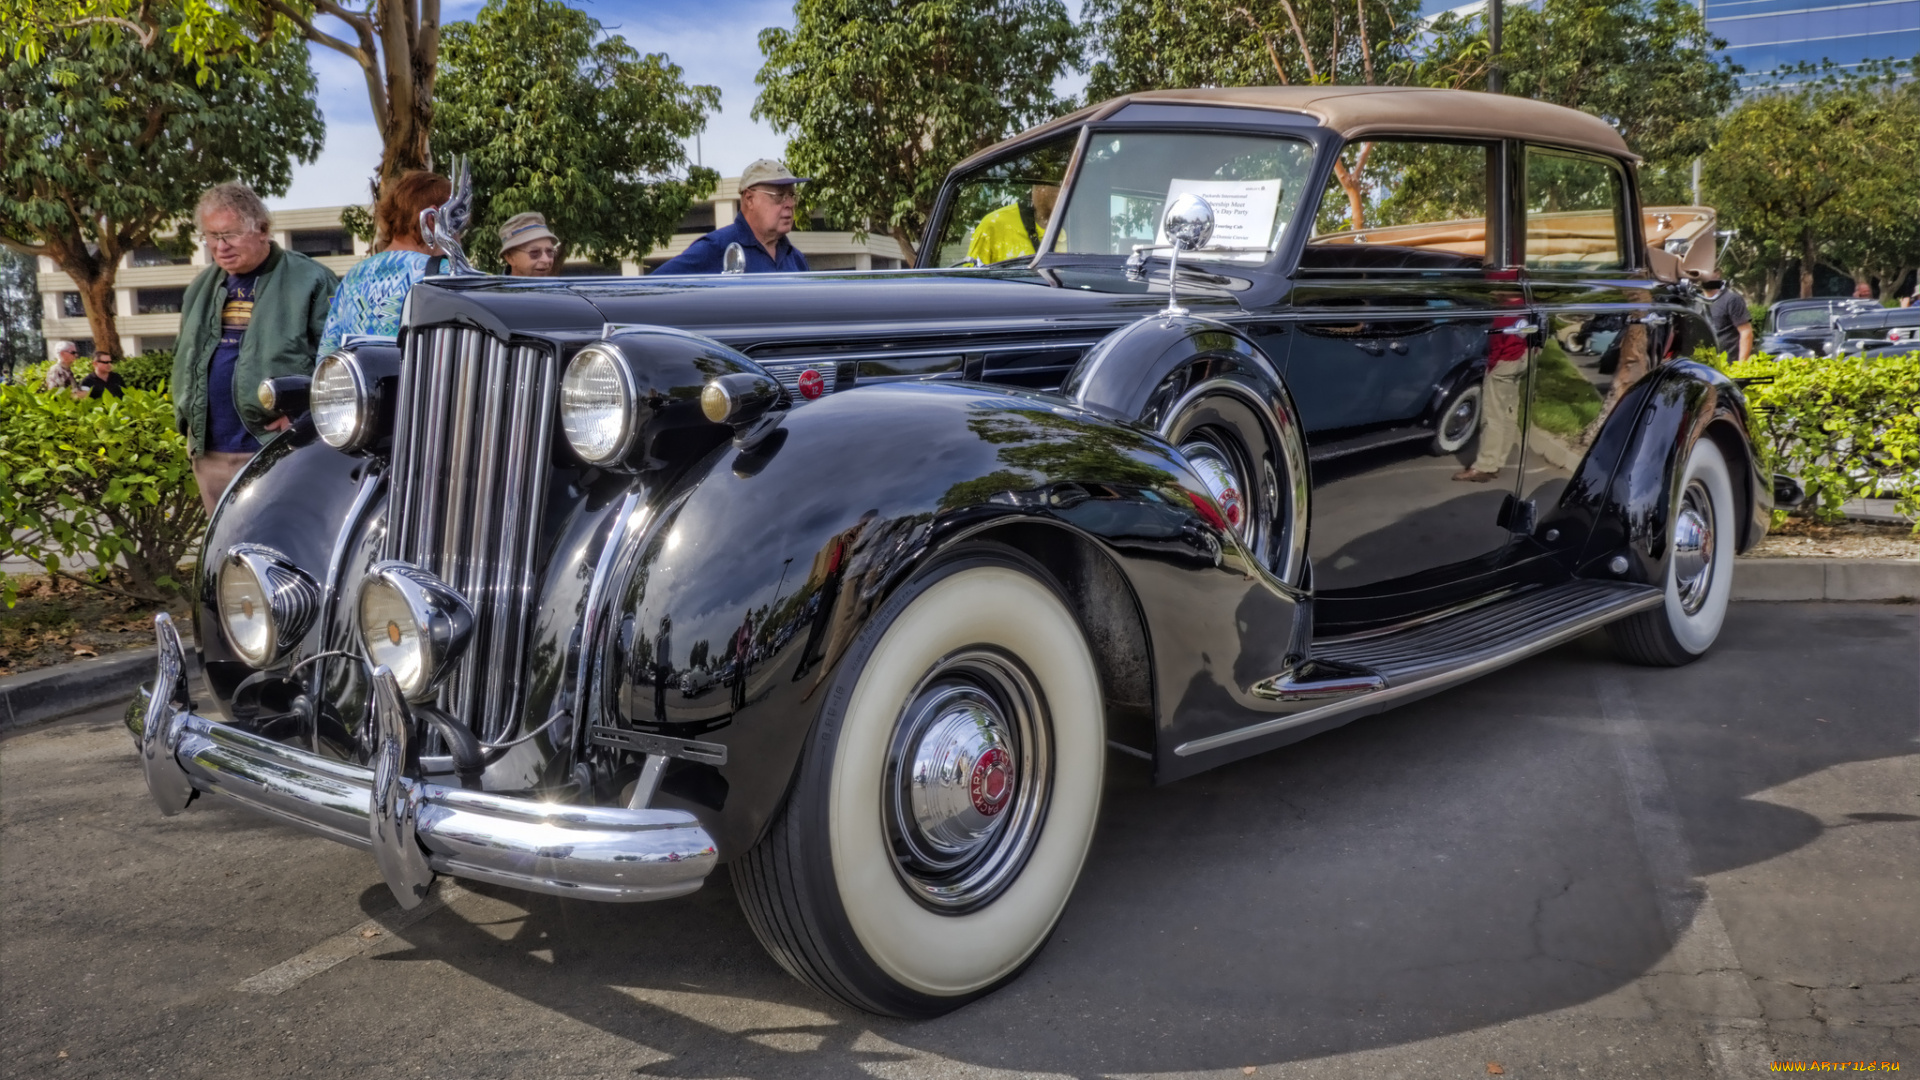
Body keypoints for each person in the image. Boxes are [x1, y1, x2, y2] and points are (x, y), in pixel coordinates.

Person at [173, 183, 338, 515]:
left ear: (262, 229)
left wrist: (305, 414)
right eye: (211, 236)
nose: (220, 247)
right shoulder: (200, 288)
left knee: (279, 550)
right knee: (224, 557)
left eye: (230, 235)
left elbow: (338, 361)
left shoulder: (312, 280)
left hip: (276, 449)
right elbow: (186, 357)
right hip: (210, 454)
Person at [317, 171, 454, 357]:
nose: (459, 236)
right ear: (432, 220)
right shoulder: (447, 275)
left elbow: (327, 359)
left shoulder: (353, 277)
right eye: (456, 223)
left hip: (364, 386)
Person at [651, 159, 810, 275]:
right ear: (749, 199)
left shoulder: (795, 258)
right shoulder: (716, 248)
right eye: (779, 195)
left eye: (792, 195)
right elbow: (651, 289)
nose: (789, 203)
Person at [965, 184, 1059, 265]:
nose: (1066, 188)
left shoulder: (1072, 226)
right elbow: (970, 281)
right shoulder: (993, 224)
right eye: (1060, 183)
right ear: (1040, 186)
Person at [1700, 275, 1754, 363]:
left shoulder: (1731, 299)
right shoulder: (1695, 302)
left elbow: (1746, 332)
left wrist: (1741, 365)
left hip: (1731, 363)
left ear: (1717, 274)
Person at [499, 212, 560, 276]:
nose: (546, 260)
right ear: (510, 258)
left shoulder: (562, 286)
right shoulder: (495, 286)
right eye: (535, 252)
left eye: (550, 252)